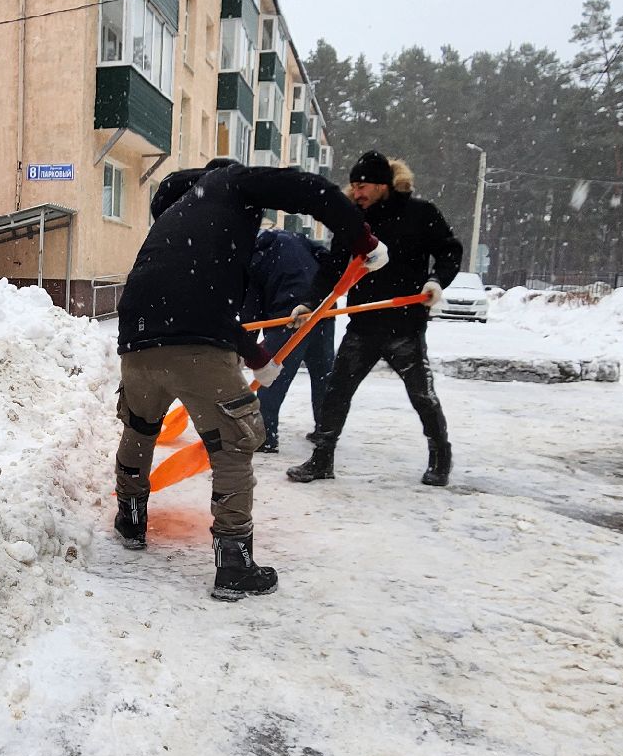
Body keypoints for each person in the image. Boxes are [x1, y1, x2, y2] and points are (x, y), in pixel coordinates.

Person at [114, 158, 384, 601]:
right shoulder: (232, 183)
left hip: (137, 336)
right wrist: (362, 237)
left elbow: (199, 297)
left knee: (140, 427)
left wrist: (257, 357)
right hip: (196, 345)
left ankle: (129, 517)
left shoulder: (180, 215)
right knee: (234, 443)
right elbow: (307, 188)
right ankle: (234, 562)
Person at [287, 150, 463, 487]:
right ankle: (322, 460)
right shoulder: (355, 222)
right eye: (353, 185)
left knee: (421, 395)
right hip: (363, 325)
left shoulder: (421, 214)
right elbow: (333, 267)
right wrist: (311, 302)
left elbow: (449, 250)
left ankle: (441, 456)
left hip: (405, 324)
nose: (356, 192)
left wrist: (436, 281)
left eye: (363, 185)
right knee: (336, 391)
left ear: (383, 185)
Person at [241, 229, 331, 452]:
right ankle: (326, 430)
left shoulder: (254, 258)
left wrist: (247, 348)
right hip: (321, 311)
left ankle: (265, 437)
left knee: (271, 376)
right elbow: (328, 258)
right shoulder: (298, 238)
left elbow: (251, 309)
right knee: (323, 375)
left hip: (288, 316)